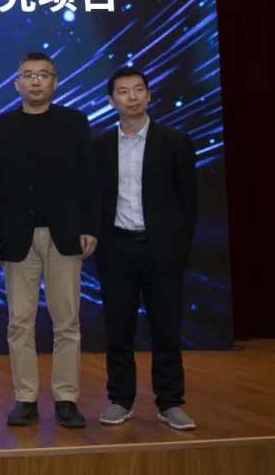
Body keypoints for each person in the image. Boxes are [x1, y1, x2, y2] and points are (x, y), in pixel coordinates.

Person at [0, 52, 99, 429]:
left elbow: (89, 178)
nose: (36, 81)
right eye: (28, 75)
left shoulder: (75, 122)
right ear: (16, 83)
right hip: (16, 237)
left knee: (67, 321)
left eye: (43, 75)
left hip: (64, 234)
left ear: (55, 82)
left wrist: (90, 225)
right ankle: (26, 398)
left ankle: (66, 398)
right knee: (20, 322)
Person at [94, 69, 198, 430]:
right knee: (118, 330)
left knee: (165, 330)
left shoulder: (175, 141)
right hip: (117, 248)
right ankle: (120, 399)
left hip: (162, 250)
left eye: (139, 90)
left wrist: (179, 246)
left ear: (149, 95)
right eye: (123, 92)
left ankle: (170, 402)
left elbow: (189, 202)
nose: (132, 97)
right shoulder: (99, 146)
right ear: (111, 101)